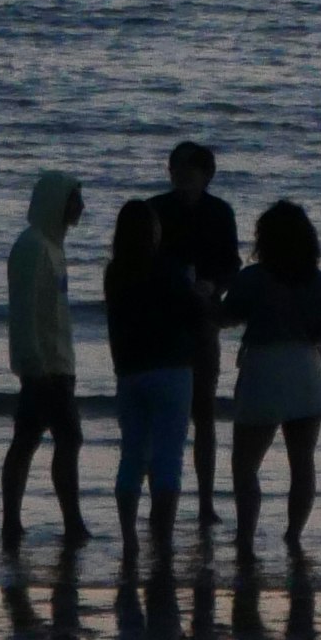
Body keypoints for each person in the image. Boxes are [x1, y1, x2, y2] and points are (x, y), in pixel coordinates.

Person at [222, 194, 321, 560]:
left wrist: (204, 297)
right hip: (306, 369)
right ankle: (293, 535)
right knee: (302, 461)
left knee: (245, 466)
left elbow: (227, 316)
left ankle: (246, 538)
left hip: (264, 368)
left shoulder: (254, 278)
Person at [101, 194, 194, 571]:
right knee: (168, 456)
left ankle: (129, 537)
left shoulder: (115, 272)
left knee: (132, 455)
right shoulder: (170, 270)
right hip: (171, 368)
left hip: (130, 369)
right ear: (153, 233)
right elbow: (190, 313)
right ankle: (164, 537)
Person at [0, 169, 89, 550]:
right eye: (74, 198)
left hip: (56, 363)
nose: (81, 207)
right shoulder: (33, 247)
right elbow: (23, 312)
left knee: (28, 439)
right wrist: (34, 365)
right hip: (45, 367)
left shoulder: (52, 246)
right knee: (66, 438)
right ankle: (70, 522)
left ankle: (15, 522)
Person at [149, 139, 241, 507]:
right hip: (163, 319)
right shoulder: (155, 210)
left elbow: (232, 264)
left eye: (189, 169)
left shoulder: (220, 212)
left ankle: (205, 501)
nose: (181, 176)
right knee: (164, 412)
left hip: (204, 316)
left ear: (207, 175)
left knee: (203, 410)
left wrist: (213, 284)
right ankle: (161, 497)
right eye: (175, 169)